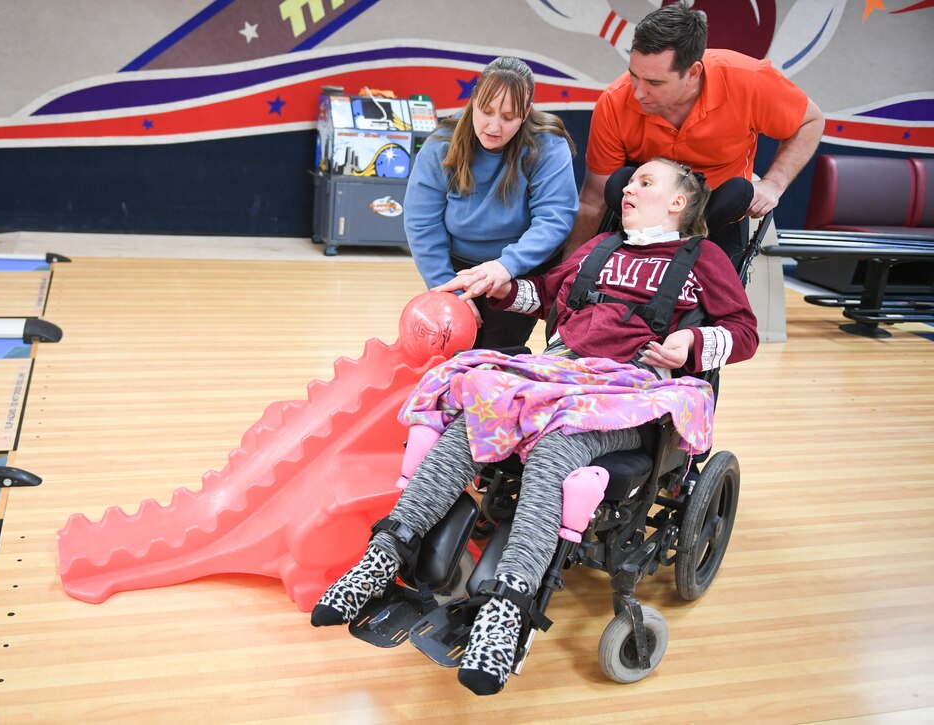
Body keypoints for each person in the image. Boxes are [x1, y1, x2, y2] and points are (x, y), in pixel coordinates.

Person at [311, 158, 759, 695]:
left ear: (678, 203)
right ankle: (384, 556)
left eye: (645, 182)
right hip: (558, 371)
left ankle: (507, 608)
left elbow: (744, 331)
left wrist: (692, 343)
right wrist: (497, 286)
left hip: (629, 390)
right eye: (631, 181)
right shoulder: (598, 248)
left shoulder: (703, 259)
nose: (629, 189)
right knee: (477, 422)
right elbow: (542, 295)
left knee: (554, 449)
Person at [565, 3, 824, 259]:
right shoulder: (614, 100)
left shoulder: (747, 79)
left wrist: (774, 184)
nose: (638, 92)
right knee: (617, 186)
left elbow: (810, 121)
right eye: (634, 75)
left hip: (718, 210)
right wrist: (565, 274)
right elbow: (593, 200)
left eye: (655, 82)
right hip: (648, 213)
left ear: (693, 72)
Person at [405, 55, 579, 350]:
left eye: (508, 117)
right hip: (457, 268)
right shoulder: (441, 145)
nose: (494, 127)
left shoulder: (548, 144)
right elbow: (422, 223)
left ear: (526, 112)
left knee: (495, 354)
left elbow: (554, 219)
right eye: (486, 111)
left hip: (519, 268)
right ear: (473, 100)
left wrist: (506, 266)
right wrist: (448, 288)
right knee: (450, 352)